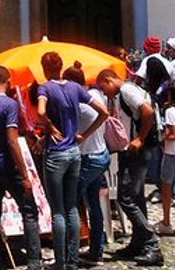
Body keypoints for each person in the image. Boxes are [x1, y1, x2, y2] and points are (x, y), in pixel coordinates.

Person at [37, 52, 107, 270]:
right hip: (74, 152)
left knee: (57, 211)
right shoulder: (75, 88)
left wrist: (49, 127)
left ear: (45, 68)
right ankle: (73, 261)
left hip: (56, 153)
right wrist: (83, 135)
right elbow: (103, 112)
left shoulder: (45, 88)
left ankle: (60, 261)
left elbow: (40, 111)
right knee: (72, 208)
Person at [0, 65, 42, 270]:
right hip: (7, 165)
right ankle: (34, 260)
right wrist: (24, 174)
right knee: (29, 209)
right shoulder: (9, 105)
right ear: (8, 80)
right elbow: (12, 141)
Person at [97, 68, 164, 266]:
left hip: (138, 149)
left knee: (125, 197)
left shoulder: (127, 90)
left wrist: (139, 139)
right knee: (136, 196)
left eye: (104, 88)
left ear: (109, 80)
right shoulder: (128, 91)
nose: (105, 93)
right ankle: (138, 242)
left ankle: (151, 243)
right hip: (135, 150)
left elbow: (148, 111)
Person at [64, 65, 111, 267]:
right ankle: (96, 251)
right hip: (102, 155)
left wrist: (83, 134)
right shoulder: (95, 95)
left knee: (71, 204)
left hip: (88, 158)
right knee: (93, 205)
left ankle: (70, 254)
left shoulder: (79, 105)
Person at [156, 81, 175, 237]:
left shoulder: (171, 111)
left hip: (172, 152)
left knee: (166, 187)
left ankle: (166, 221)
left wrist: (161, 138)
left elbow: (173, 134)